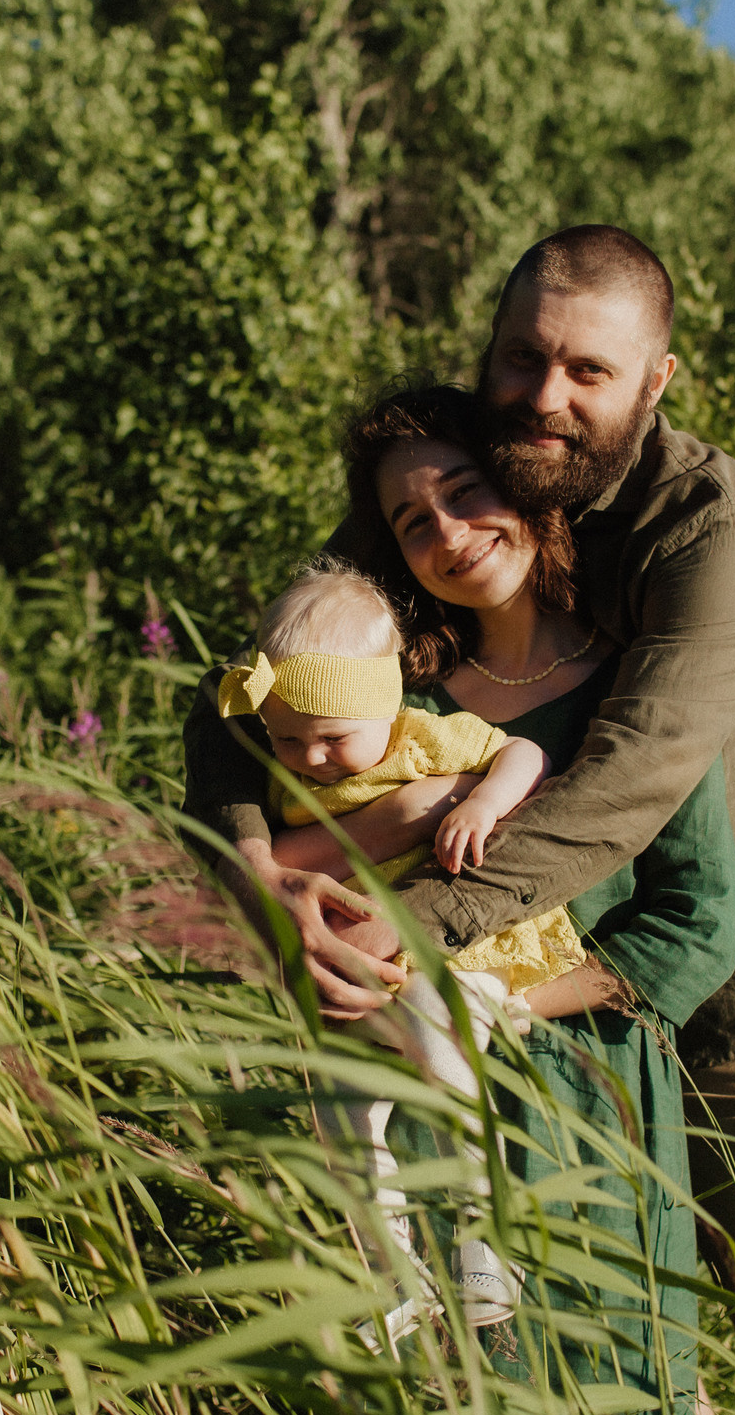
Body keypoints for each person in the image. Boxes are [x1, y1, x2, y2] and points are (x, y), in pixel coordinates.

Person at [184, 227, 735, 1415]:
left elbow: (632, 782)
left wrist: (421, 936)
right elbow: (256, 685)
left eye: (586, 371)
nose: (546, 396)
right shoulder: (465, 483)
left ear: (654, 382)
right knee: (647, 1384)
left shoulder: (709, 529)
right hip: (555, 1044)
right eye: (521, 358)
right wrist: (263, 881)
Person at [269, 382, 735, 1415]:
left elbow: (694, 923)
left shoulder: (642, 687)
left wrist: (505, 1005)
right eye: (410, 518)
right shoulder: (385, 703)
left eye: (462, 491)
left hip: (588, 1109)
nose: (442, 530)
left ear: (527, 495)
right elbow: (271, 865)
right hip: (425, 1120)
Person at [222, 555, 586, 1331]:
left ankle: (485, 1241)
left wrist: (483, 799)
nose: (312, 757)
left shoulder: (426, 740)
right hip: (360, 976)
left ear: (384, 709)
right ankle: (392, 1270)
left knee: (445, 1061)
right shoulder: (289, 780)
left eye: (332, 737)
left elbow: (524, 754)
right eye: (289, 739)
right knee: (344, 1115)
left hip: (453, 953)